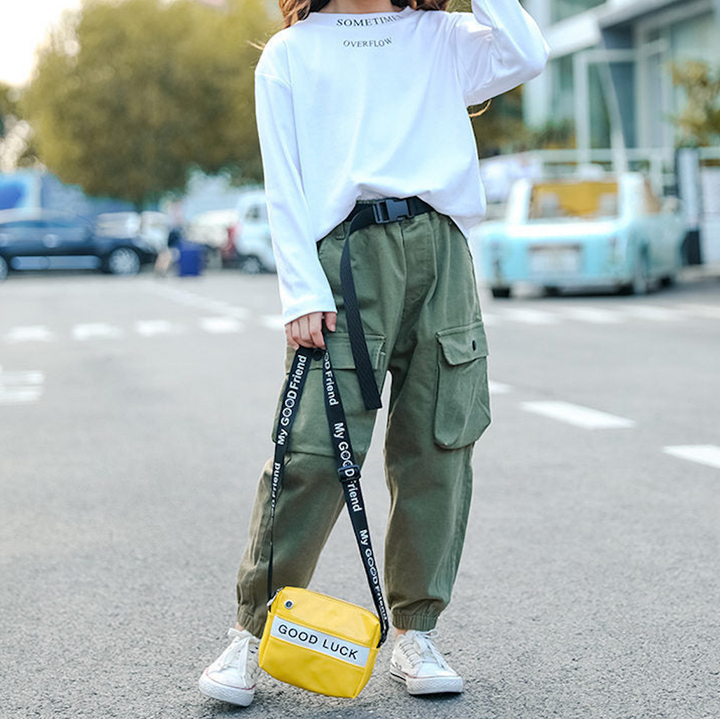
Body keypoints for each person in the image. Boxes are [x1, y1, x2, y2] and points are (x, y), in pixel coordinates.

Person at [198, 0, 548, 706]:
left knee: (437, 443)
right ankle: (250, 631)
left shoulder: (444, 37)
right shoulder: (291, 54)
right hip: (345, 259)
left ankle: (415, 631)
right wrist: (300, 289)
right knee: (313, 454)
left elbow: (527, 54)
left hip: (440, 252)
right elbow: (284, 181)